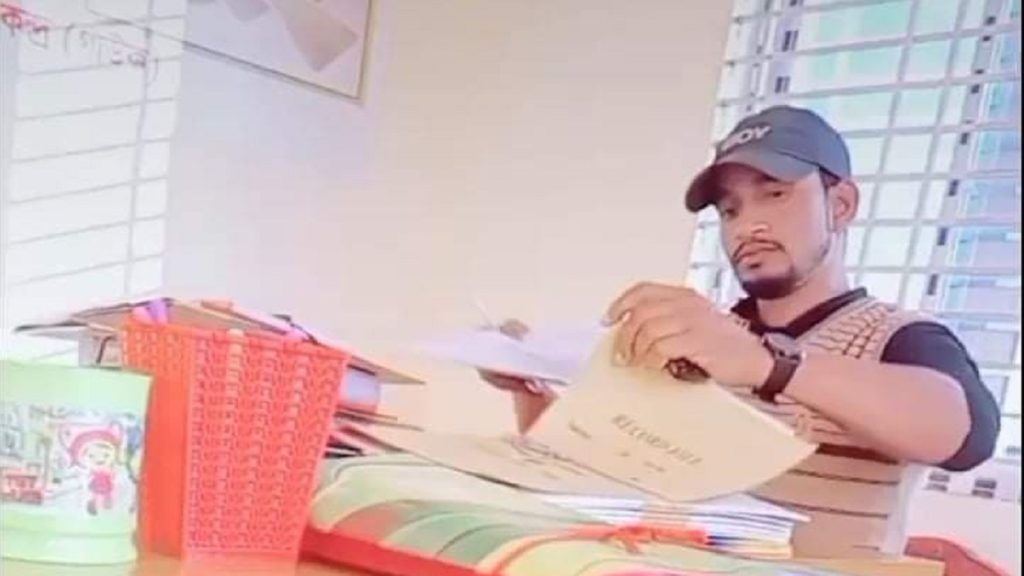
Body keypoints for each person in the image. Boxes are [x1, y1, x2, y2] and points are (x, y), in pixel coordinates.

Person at [480, 106, 1000, 558]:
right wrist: (532, 388)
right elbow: (610, 480)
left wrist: (768, 365)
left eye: (774, 194)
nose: (746, 227)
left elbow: (963, 436)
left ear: (840, 205)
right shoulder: (702, 336)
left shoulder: (899, 336)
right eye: (730, 210)